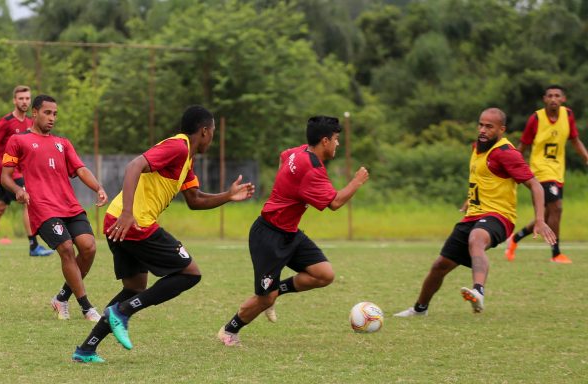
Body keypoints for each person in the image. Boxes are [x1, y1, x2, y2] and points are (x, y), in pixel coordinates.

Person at [71, 105, 255, 363]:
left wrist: (228, 195)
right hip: (133, 223)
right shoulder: (178, 147)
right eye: (212, 132)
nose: (212, 138)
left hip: (120, 221)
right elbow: (135, 165)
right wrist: (127, 212)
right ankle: (122, 312)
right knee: (190, 273)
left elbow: (195, 200)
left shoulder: (186, 160)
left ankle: (86, 348)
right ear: (204, 131)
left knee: (135, 287)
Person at [216, 115, 369, 346]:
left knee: (324, 274)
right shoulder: (312, 169)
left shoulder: (300, 152)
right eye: (337, 139)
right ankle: (229, 330)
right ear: (325, 141)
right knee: (264, 299)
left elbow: (283, 156)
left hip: (289, 232)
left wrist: (286, 189)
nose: (338, 144)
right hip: (268, 236)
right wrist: (357, 181)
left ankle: (277, 291)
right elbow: (335, 203)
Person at [395, 108, 557, 318]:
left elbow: (535, 185)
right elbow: (482, 178)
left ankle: (478, 291)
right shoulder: (477, 148)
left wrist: (540, 219)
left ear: (502, 129)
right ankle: (419, 309)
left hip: (500, 217)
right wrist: (470, 197)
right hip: (473, 215)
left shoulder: (506, 153)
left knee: (476, 238)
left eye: (489, 127)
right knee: (440, 266)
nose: (482, 130)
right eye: (480, 125)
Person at [1, 95, 108, 322]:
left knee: (88, 248)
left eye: (55, 114)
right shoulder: (18, 140)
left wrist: (98, 187)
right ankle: (87, 307)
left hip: (69, 205)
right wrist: (18, 191)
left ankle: (61, 298)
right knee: (67, 249)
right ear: (35, 113)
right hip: (43, 208)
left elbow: (80, 169)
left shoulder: (63, 143)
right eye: (48, 113)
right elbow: (5, 177)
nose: (52, 118)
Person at [505, 85, 588, 264]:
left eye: (557, 95)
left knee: (546, 217)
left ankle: (515, 239)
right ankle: (556, 254)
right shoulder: (536, 118)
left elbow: (575, 140)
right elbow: (523, 146)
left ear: (563, 99)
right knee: (557, 208)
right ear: (544, 99)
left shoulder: (568, 116)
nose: (553, 99)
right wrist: (513, 168)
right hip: (540, 170)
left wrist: (586, 158)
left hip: (558, 171)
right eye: (550, 95)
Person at [0, 85, 54, 257]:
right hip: (9, 174)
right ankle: (34, 245)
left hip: (22, 173)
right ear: (15, 100)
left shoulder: (30, 123)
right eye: (21, 98)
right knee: (29, 201)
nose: (24, 101)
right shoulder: (6, 122)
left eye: (27, 98)